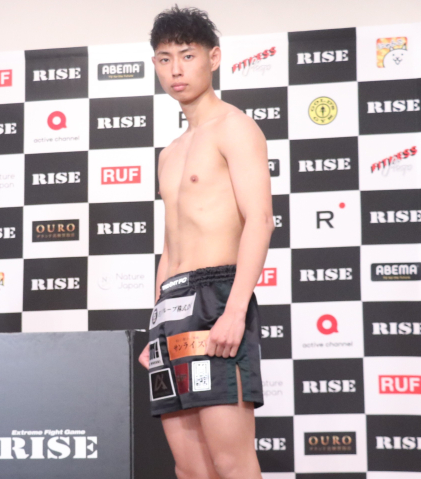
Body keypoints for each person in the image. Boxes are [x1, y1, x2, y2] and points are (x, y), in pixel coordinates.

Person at [138, 7, 273, 479]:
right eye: (164, 58)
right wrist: (155, 323)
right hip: (172, 304)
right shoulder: (170, 152)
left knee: (232, 463)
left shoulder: (235, 126)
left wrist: (235, 310)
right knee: (190, 468)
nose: (175, 69)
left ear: (213, 58)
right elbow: (171, 244)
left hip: (217, 297)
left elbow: (260, 220)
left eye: (187, 55)